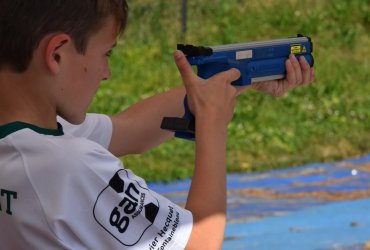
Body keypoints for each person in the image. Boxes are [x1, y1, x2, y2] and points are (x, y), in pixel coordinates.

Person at [0, 0, 314, 249]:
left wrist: (237, 81)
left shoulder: (31, 144)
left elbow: (132, 129)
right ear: (56, 54)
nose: (106, 72)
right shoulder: (67, 166)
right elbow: (198, 244)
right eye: (105, 54)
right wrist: (213, 129)